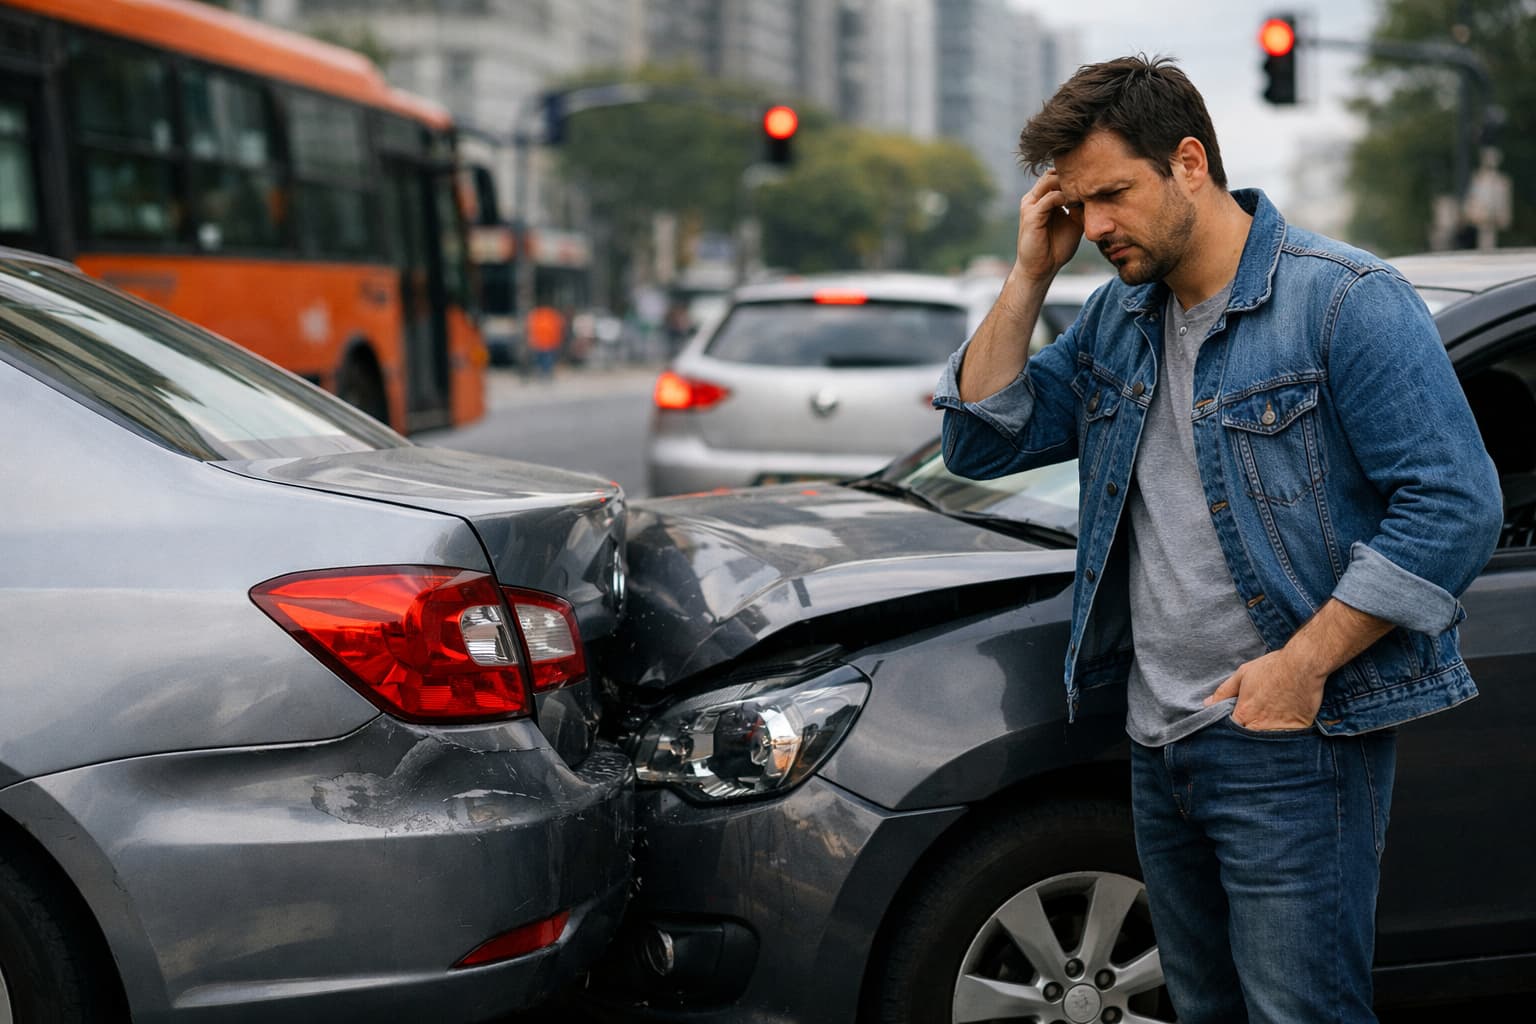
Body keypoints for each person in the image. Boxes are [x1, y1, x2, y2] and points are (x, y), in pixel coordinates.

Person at [933, 55, 1502, 1024]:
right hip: (1159, 743)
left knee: (1301, 1012)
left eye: (1113, 192)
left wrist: (1302, 665)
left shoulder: (1341, 299)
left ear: (1189, 161)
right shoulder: (1121, 318)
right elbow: (981, 438)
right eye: (1079, 202)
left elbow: (1455, 503)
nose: (1097, 225)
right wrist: (1030, 270)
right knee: (1204, 1008)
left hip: (1292, 740)